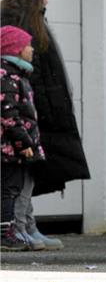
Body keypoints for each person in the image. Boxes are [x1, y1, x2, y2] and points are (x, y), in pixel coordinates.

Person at [2, 0, 89, 250]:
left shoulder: (35, 20)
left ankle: (27, 226)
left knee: (30, 175)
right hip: (27, 114)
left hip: (36, 112)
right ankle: (18, 229)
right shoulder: (15, 23)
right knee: (19, 179)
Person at [1, 26, 46, 251]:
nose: (31, 49)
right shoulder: (7, 76)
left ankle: (11, 230)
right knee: (9, 190)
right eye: (28, 45)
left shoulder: (17, 74)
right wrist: (24, 143)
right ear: (16, 49)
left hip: (14, 146)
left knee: (14, 188)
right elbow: (9, 115)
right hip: (10, 148)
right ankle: (6, 234)